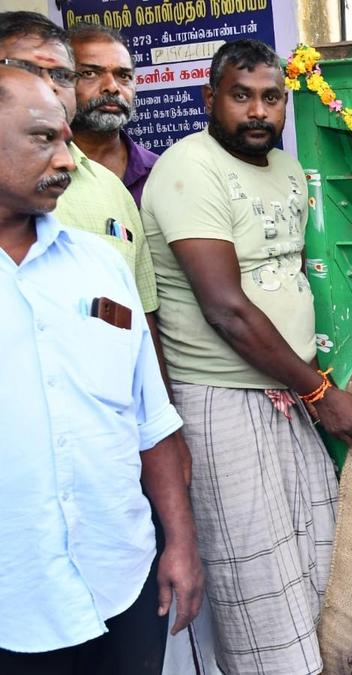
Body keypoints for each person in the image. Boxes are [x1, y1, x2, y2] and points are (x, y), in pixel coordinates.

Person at [140, 39, 352, 675]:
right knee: (257, 589)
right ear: (209, 97)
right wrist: (320, 392)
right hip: (223, 402)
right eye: (240, 95)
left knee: (315, 561)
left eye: (271, 97)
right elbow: (226, 308)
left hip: (287, 391)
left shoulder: (290, 170)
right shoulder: (189, 170)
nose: (257, 111)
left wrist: (305, 387)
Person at [0, 67, 203, 675]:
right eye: (44, 140)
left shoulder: (99, 265)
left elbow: (150, 420)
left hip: (121, 578)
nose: (68, 159)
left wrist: (181, 545)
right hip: (17, 600)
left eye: (67, 139)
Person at [0, 13, 158, 338]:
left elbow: (140, 322)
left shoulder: (111, 188)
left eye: (61, 74)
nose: (47, 86)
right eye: (25, 70)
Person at [67, 23, 158, 208]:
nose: (112, 87)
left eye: (124, 76)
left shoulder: (160, 173)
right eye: (90, 73)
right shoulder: (36, 172)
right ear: (59, 80)